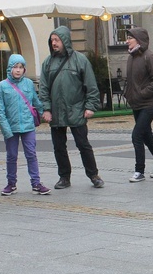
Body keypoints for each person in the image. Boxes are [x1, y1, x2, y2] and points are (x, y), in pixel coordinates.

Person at [39, 26, 104, 190]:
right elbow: (43, 88)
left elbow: (91, 85)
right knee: (59, 147)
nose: (54, 43)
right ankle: (64, 177)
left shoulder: (80, 60)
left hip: (76, 109)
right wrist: (46, 109)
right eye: (52, 40)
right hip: (56, 112)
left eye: (57, 40)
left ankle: (94, 175)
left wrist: (90, 106)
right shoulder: (47, 62)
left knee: (83, 144)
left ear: (65, 41)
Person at [0, 54, 50, 196]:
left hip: (27, 126)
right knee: (12, 156)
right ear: (10, 69)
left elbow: (36, 101)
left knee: (31, 154)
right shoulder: (2, 86)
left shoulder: (28, 84)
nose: (18, 70)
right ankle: (11, 183)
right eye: (15, 67)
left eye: (21, 67)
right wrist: (6, 130)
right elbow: (0, 111)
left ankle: (36, 183)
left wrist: (45, 112)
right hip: (11, 128)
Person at [123, 27, 153, 182]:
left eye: (130, 37)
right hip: (136, 103)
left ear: (139, 40)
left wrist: (142, 93)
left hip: (149, 103)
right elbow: (132, 80)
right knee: (147, 136)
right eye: (127, 38)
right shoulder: (131, 57)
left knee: (137, 135)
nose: (127, 40)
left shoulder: (149, 56)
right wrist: (128, 93)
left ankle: (139, 171)